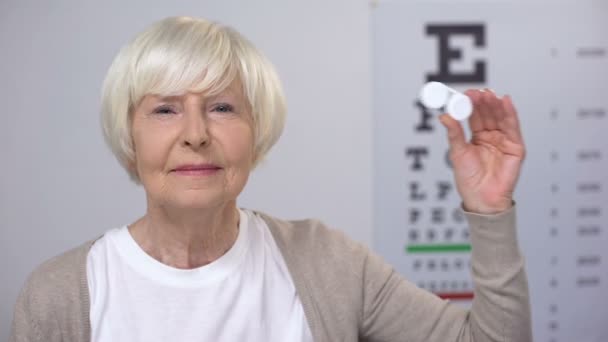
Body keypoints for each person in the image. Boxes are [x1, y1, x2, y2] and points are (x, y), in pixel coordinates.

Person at [10, 16, 531, 342]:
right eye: (165, 110)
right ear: (129, 137)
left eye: (221, 107)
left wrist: (489, 213)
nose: (195, 134)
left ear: (257, 132)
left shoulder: (328, 261)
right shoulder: (61, 296)